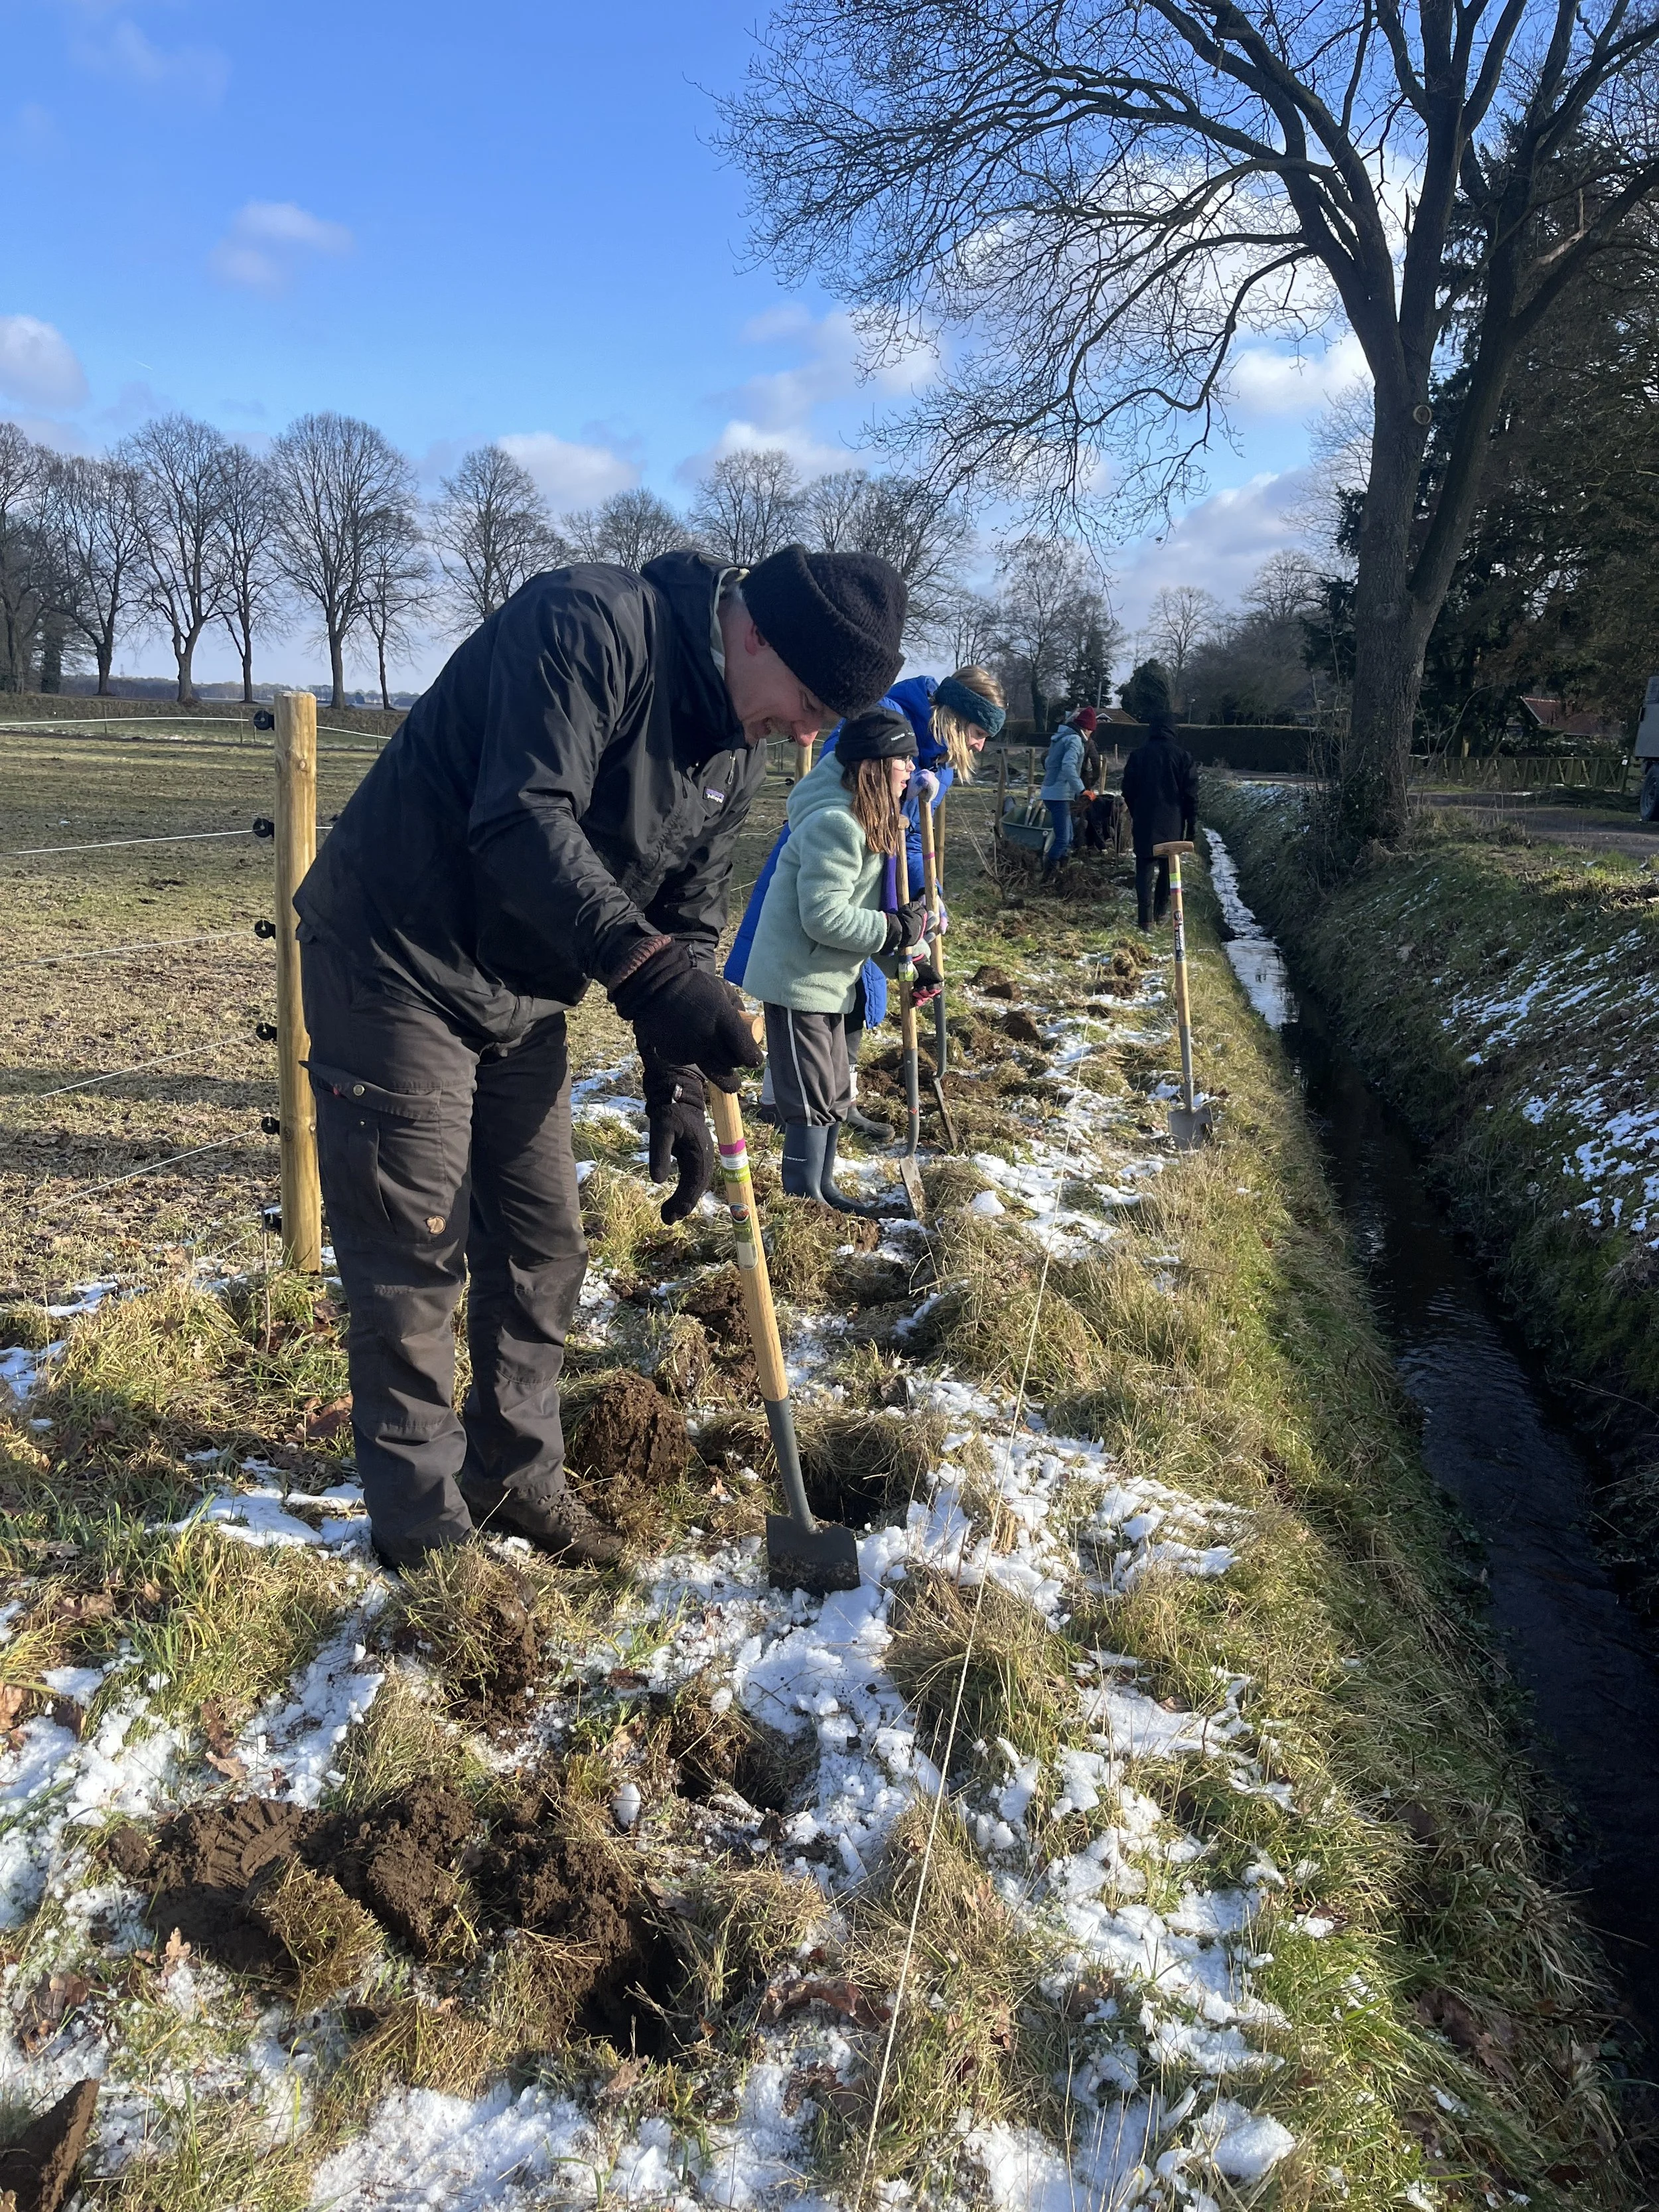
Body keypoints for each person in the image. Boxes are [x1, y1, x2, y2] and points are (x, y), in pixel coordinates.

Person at [294, 542, 907, 1571]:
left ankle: (513, 1476)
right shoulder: (588, 625)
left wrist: (672, 1071)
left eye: (825, 722)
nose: (809, 734)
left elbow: (690, 917)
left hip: (521, 987)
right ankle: (423, 1528)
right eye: (807, 701)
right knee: (417, 1251)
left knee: (545, 1242)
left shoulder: (736, 745)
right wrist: (649, 978)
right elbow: (521, 820)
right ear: (753, 628)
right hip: (396, 951)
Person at [725, 664, 1005, 1139]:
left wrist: (925, 895)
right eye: (978, 732)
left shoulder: (942, 763)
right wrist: (897, 805)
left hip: (881, 873)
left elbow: (913, 840)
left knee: (853, 992)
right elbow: (843, 790)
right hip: (835, 862)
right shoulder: (885, 716)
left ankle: (839, 1102)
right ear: (957, 717)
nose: (979, 746)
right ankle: (786, 1104)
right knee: (805, 990)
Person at [741, 706, 938, 1212]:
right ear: (875, 766)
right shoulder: (835, 823)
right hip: (797, 981)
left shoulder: (873, 825)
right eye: (904, 762)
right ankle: (802, 1202)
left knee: (831, 1094)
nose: (911, 773)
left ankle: (824, 1189)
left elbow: (875, 914)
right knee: (808, 1100)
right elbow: (825, 918)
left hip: (831, 981)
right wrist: (894, 929)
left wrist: (910, 958)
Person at [1121, 705, 1200, 929]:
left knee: (1144, 867)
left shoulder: (1139, 755)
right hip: (1173, 822)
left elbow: (1127, 789)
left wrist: (1136, 811)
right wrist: (1191, 823)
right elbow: (1191, 793)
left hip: (1145, 819)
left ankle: (1145, 919)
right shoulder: (1183, 757)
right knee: (1169, 868)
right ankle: (1162, 912)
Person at [1039, 704, 1095, 873]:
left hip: (1053, 791)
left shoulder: (1061, 737)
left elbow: (1048, 762)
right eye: (1092, 730)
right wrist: (1082, 790)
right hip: (1059, 795)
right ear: (1087, 728)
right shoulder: (1075, 741)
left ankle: (1062, 872)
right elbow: (1068, 767)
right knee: (1063, 839)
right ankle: (1048, 875)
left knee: (1069, 837)